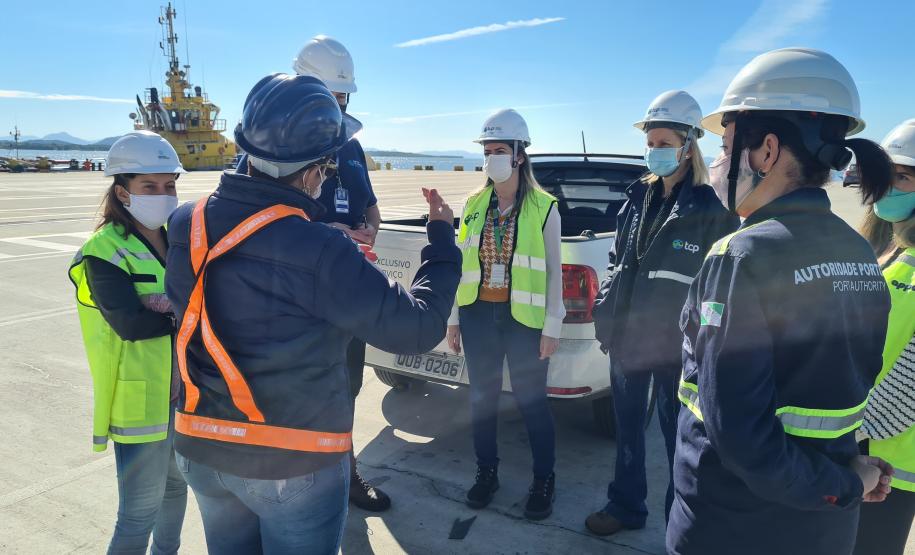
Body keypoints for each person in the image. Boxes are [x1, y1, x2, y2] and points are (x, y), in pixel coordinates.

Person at [165, 73, 460, 555]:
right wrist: (442, 245)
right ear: (311, 172)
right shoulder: (320, 248)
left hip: (202, 445)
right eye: (327, 167)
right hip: (290, 460)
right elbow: (418, 326)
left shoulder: (186, 223)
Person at [668, 47, 895, 555]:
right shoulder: (859, 251)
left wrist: (845, 485)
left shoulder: (741, 256)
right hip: (824, 530)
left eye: (727, 146)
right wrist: (847, 481)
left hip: (737, 528)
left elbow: (744, 440)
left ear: (767, 151)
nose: (722, 160)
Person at [584, 91, 739, 536]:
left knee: (681, 440)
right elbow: (618, 261)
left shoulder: (712, 210)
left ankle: (680, 519)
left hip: (679, 348)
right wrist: (605, 309)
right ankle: (626, 506)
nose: (654, 150)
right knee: (628, 429)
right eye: (650, 142)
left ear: (689, 145)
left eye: (663, 141)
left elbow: (720, 287)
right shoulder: (638, 198)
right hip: (628, 338)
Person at [68, 130, 188, 554]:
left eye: (169, 185)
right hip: (140, 401)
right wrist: (185, 313)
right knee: (137, 512)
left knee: (176, 491)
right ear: (122, 192)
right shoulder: (104, 249)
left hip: (184, 394)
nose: (163, 194)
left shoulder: (178, 234)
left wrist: (168, 309)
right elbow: (130, 324)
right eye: (149, 187)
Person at [445, 109, 563, 520]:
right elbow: (463, 265)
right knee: (482, 401)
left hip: (524, 323)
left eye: (499, 150)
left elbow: (552, 271)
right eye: (487, 150)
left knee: (532, 404)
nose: (491, 157)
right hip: (479, 316)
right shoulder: (474, 204)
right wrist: (454, 318)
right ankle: (486, 473)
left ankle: (544, 480)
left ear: (519, 155)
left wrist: (552, 324)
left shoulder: (544, 207)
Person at [292, 35, 389, 512]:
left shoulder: (350, 147)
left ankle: (346, 475)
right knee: (300, 385)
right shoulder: (275, 146)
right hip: (297, 298)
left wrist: (368, 229)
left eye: (343, 98)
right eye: (329, 98)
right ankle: (301, 481)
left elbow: (370, 205)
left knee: (347, 386)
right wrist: (321, 232)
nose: (337, 107)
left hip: (345, 294)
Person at [854, 119, 915, 555]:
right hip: (864, 453)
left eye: (903, 177)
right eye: (886, 174)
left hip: (893, 461)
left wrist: (854, 433)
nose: (888, 187)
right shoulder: (888, 250)